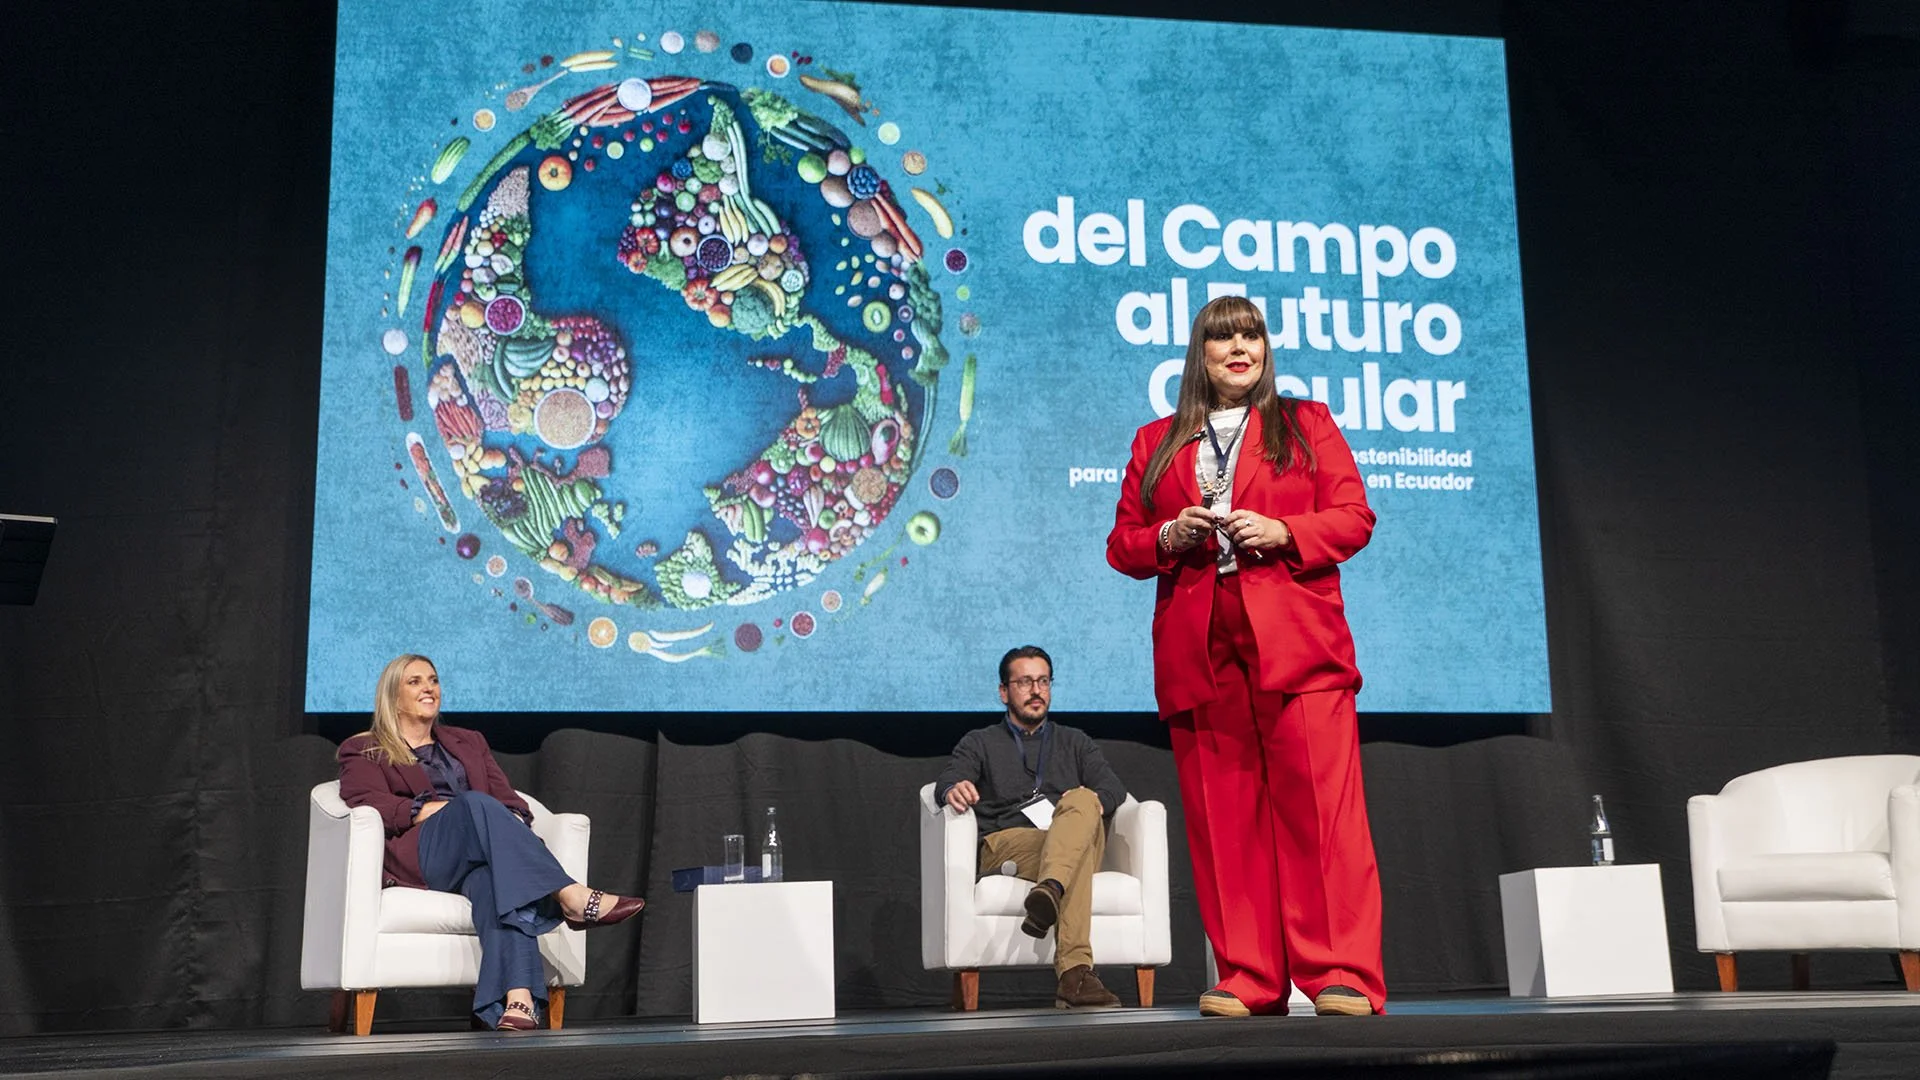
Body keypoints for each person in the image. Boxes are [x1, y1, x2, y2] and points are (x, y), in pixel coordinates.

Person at [1106, 295, 1384, 1018]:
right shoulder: (1156, 441)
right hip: (1201, 645)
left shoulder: (1306, 424)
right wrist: (1168, 536)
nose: (1240, 348)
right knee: (1224, 821)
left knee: (1321, 815)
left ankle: (1340, 972)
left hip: (1297, 639)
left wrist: (1285, 531)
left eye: (1251, 335)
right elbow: (1123, 544)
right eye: (1222, 337)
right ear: (1198, 354)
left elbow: (1354, 517)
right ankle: (1249, 976)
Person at [336, 654, 644, 1031]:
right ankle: (570, 894)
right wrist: (436, 809)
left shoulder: (469, 742)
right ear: (392, 695)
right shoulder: (365, 748)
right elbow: (368, 802)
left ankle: (515, 1001)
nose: (428, 688)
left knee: (495, 886)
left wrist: (505, 823)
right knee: (474, 803)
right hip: (424, 854)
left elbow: (510, 801)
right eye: (414, 682)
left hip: (480, 851)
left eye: (433, 680)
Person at [934, 646, 1130, 1009]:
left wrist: (1087, 804)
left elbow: (1113, 788)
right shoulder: (980, 741)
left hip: (1066, 838)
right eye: (1025, 682)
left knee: (1083, 800)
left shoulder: (1075, 741)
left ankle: (1050, 889)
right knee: (1077, 853)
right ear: (1003, 691)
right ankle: (1075, 975)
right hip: (1007, 843)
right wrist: (953, 788)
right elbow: (948, 778)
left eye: (1043, 681)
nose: (1036, 690)